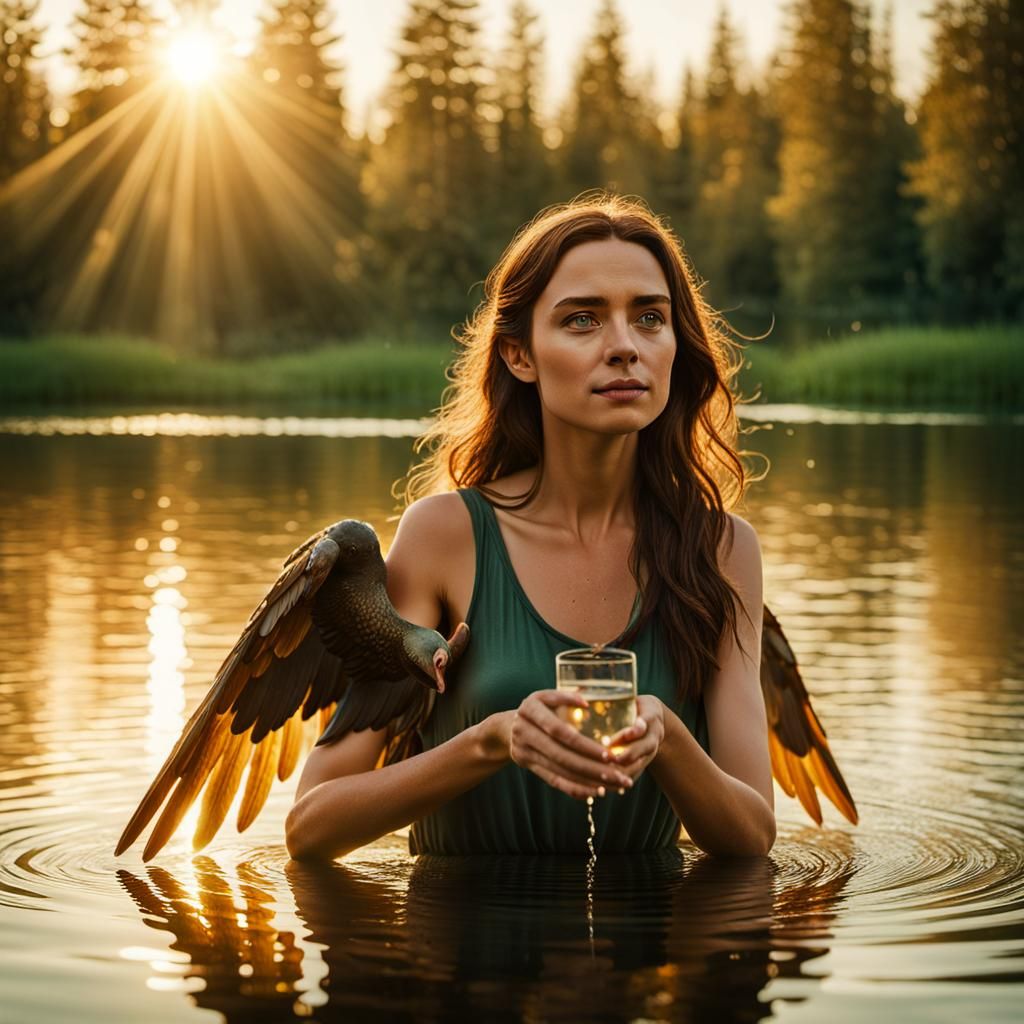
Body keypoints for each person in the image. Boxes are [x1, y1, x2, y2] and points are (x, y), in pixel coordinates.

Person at [285, 192, 775, 861]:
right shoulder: (445, 537)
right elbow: (310, 826)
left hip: (649, 926)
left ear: (674, 345)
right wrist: (490, 742)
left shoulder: (722, 549)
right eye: (582, 320)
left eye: (650, 318)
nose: (624, 347)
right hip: (456, 925)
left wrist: (666, 736)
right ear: (520, 355)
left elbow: (753, 837)